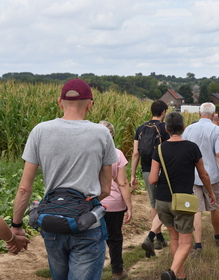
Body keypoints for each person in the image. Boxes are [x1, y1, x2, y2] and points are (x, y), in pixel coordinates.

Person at [10, 79, 118, 280]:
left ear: (60, 102)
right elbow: (106, 189)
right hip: (86, 225)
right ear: (90, 104)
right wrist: (85, 203)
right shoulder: (102, 133)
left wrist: (16, 226)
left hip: (53, 224)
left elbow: (24, 188)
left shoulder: (40, 131)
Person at [149, 112, 215, 280]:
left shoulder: (160, 149)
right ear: (183, 128)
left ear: (166, 128)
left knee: (173, 238)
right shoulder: (192, 147)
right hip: (183, 200)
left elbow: (153, 179)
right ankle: (172, 272)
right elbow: (204, 175)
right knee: (186, 241)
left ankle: (181, 275)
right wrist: (210, 192)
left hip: (163, 200)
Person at [182, 102, 219, 255]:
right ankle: (217, 236)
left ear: (199, 113)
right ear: (213, 114)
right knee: (214, 206)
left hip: (193, 174)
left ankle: (198, 245)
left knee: (196, 210)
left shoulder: (189, 129)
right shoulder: (216, 130)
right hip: (212, 175)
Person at [130, 100, 170, 257]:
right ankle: (156, 237)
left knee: (153, 203)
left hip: (146, 170)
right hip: (162, 170)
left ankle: (158, 237)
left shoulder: (140, 129)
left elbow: (135, 153)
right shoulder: (165, 128)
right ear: (163, 113)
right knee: (164, 204)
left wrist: (133, 175)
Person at [100, 121, 132, 280]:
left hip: (94, 203)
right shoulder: (117, 154)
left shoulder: (90, 153)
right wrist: (129, 206)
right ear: (112, 135)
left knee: (95, 239)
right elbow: (123, 183)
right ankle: (117, 272)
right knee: (115, 238)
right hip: (114, 204)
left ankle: (93, 272)